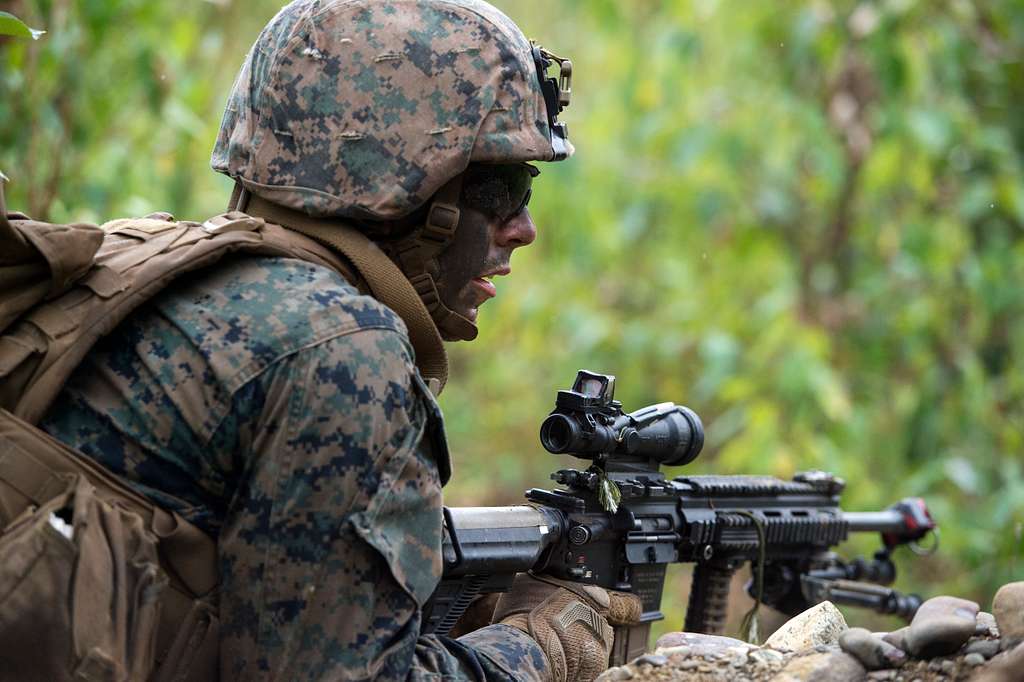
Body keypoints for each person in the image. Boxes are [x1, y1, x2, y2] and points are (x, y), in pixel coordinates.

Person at [37, 0, 640, 679]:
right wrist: (540, 646)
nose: (522, 229)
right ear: (406, 189)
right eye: (502, 189)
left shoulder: (164, 270)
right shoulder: (342, 350)